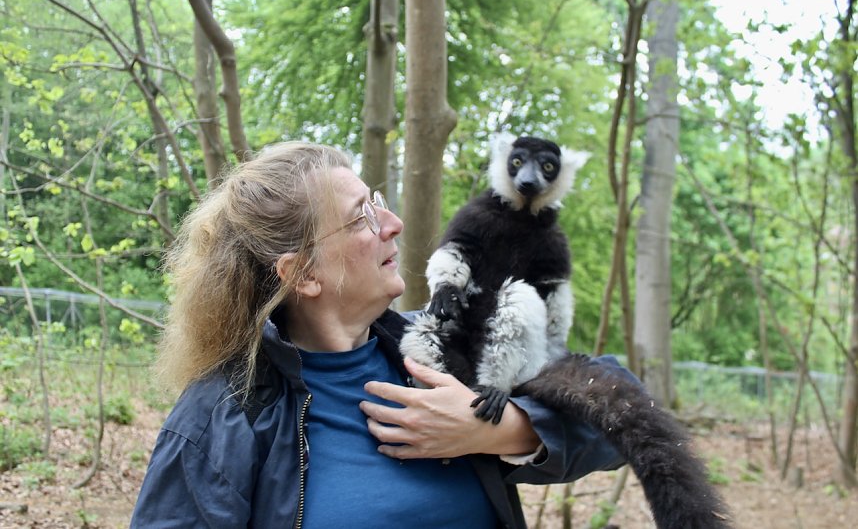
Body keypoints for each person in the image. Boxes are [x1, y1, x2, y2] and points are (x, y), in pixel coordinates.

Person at [131, 141, 629, 528]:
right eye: (361, 217)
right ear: (303, 274)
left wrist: (499, 429)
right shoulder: (220, 417)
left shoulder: (437, 348)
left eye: (378, 202)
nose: (393, 223)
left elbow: (623, 413)